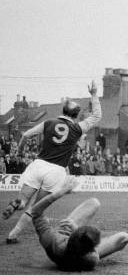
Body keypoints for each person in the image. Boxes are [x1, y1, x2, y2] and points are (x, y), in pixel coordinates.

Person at [4, 81, 101, 244]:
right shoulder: (78, 128)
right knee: (36, 208)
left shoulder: (49, 122)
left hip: (38, 165)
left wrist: (20, 151)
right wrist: (93, 94)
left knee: (23, 201)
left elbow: (26, 135)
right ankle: (12, 235)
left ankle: (17, 203)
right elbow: (97, 116)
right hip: (55, 171)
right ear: (76, 115)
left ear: (63, 111)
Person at [23, 176, 128, 271]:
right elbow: (121, 238)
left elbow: (35, 211)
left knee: (94, 203)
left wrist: (61, 192)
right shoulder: (91, 259)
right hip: (78, 251)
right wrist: (77, 229)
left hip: (64, 245)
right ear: (90, 249)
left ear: (73, 235)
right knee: (124, 237)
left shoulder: (52, 240)